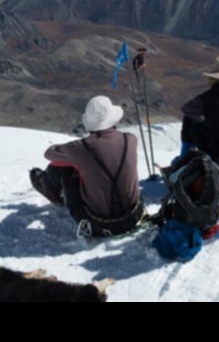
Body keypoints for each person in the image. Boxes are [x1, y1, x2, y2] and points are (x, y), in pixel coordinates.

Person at [30, 96, 144, 237]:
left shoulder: (81, 148)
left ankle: (51, 191)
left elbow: (49, 154)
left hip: (98, 224)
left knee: (65, 168)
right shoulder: (131, 139)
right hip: (134, 216)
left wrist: (69, 151)